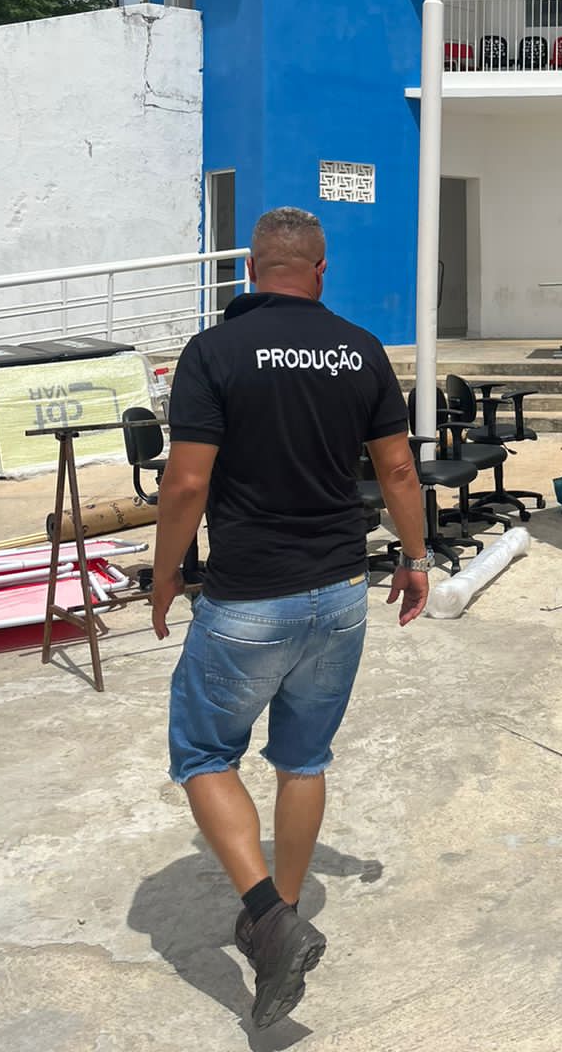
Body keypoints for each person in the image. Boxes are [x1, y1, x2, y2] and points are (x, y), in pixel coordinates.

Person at [150, 206, 430, 1029]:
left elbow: (186, 485)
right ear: (319, 270)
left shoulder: (213, 351)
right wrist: (415, 561)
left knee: (203, 751)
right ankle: (285, 911)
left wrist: (166, 577)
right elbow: (400, 470)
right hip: (340, 595)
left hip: (248, 600)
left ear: (251, 274)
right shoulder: (361, 349)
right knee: (303, 761)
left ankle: (270, 919)